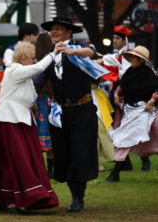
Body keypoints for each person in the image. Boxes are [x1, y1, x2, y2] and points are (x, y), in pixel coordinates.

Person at [0, 41, 59, 214]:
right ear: (23, 58)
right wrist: (53, 53)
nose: (34, 61)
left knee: (23, 159)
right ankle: (12, 200)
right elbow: (38, 68)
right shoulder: (13, 70)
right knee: (15, 160)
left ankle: (14, 198)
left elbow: (29, 93)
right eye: (32, 58)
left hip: (20, 120)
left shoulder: (23, 75)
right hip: (9, 120)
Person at [34, 16, 99, 212]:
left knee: (80, 153)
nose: (54, 32)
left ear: (69, 32)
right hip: (61, 112)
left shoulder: (78, 46)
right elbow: (40, 79)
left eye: (58, 29)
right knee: (64, 154)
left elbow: (92, 52)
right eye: (52, 29)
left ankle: (78, 197)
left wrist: (71, 51)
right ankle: (73, 193)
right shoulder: (50, 55)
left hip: (83, 109)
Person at [105, 46, 158, 182]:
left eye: (135, 58)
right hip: (129, 110)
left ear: (141, 60)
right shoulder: (129, 71)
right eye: (131, 57)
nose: (132, 59)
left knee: (124, 139)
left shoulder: (148, 73)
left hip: (143, 110)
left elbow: (156, 89)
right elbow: (122, 85)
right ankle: (115, 174)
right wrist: (117, 93)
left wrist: (151, 101)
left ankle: (114, 174)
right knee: (126, 138)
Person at [35, 32, 55, 178]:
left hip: (38, 101)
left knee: (39, 135)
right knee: (52, 134)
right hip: (52, 101)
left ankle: (40, 170)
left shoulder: (35, 63)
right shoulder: (54, 60)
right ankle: (51, 170)